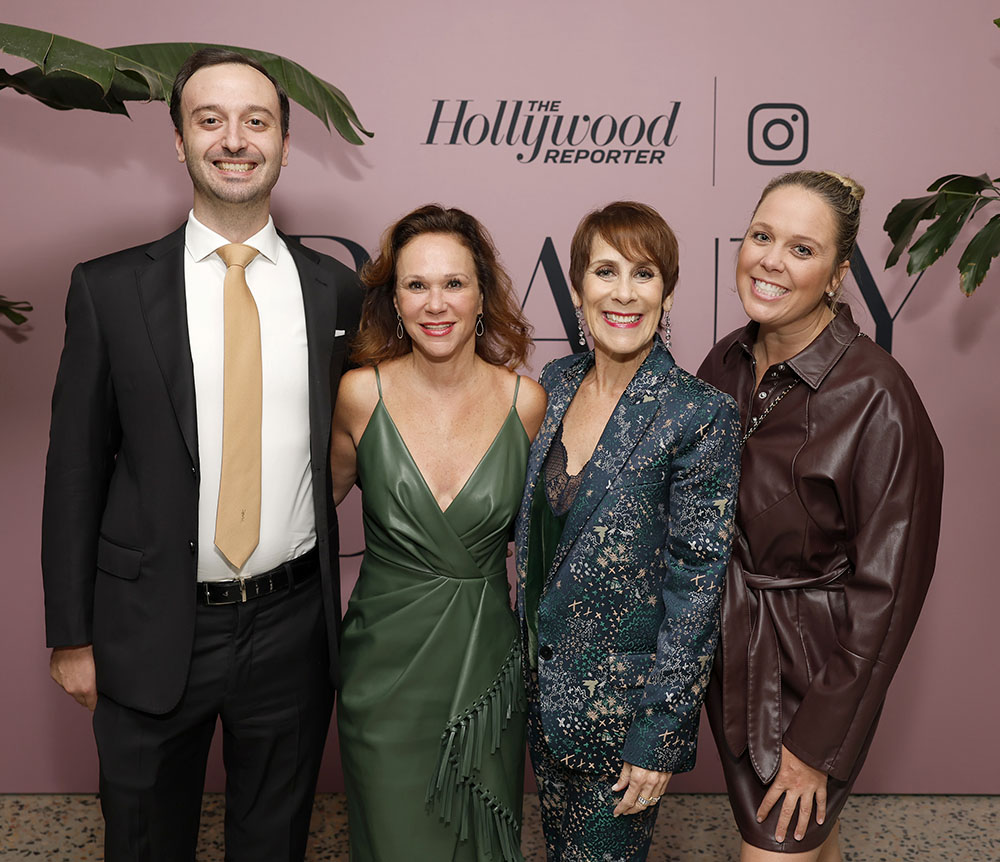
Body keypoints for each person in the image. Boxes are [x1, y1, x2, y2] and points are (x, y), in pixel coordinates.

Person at [41, 48, 362, 861]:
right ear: (178, 142)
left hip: (292, 625)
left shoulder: (335, 290)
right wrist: (71, 635)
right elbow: (75, 468)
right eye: (209, 119)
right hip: (147, 623)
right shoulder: (108, 289)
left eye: (257, 121)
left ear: (285, 143)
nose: (234, 139)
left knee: (273, 843)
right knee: (144, 842)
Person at [698, 170, 944, 861]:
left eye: (802, 250)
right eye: (762, 236)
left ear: (837, 275)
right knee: (808, 846)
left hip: (817, 674)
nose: (771, 260)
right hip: (738, 653)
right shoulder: (724, 363)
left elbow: (888, 597)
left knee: (776, 848)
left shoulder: (878, 396)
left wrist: (816, 745)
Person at [514, 201, 741, 860]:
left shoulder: (698, 415)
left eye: (643, 274)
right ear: (578, 286)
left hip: (622, 723)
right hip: (544, 699)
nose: (622, 292)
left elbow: (696, 591)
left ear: (666, 291)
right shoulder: (554, 385)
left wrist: (659, 735)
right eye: (605, 271)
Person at [329, 204, 547, 861]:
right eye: (416, 285)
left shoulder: (526, 403)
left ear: (484, 294)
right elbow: (302, 513)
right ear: (393, 300)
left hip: (484, 673)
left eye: (453, 283)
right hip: (382, 673)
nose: (436, 303)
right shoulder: (359, 394)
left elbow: (552, 547)